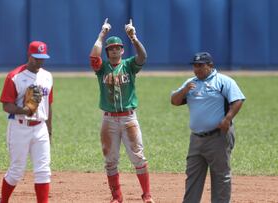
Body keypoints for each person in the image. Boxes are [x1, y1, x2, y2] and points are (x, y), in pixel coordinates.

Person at [89, 18, 154, 203]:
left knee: (138, 157)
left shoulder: (129, 65)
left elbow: (143, 57)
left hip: (129, 118)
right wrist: (102, 35)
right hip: (109, 120)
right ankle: (117, 197)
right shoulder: (102, 69)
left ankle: (147, 195)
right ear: (107, 51)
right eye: (111, 48)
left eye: (118, 47)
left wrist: (133, 37)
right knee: (110, 160)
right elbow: (94, 57)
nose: (115, 50)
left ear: (122, 50)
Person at [171, 52, 246, 203]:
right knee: (192, 175)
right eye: (194, 65)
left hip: (218, 136)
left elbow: (238, 100)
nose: (196, 69)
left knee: (220, 175)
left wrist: (227, 119)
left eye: (200, 65)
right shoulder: (190, 83)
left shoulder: (223, 81)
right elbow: (174, 101)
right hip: (196, 138)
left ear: (210, 66)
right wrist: (184, 90)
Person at [0, 41, 53, 203]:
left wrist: (49, 130)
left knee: (43, 170)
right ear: (29, 56)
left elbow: (48, 105)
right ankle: (3, 200)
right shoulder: (15, 76)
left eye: (42, 58)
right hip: (19, 127)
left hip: (40, 128)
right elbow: (6, 105)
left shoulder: (47, 76)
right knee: (16, 171)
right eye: (36, 58)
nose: (40, 61)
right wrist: (24, 110)